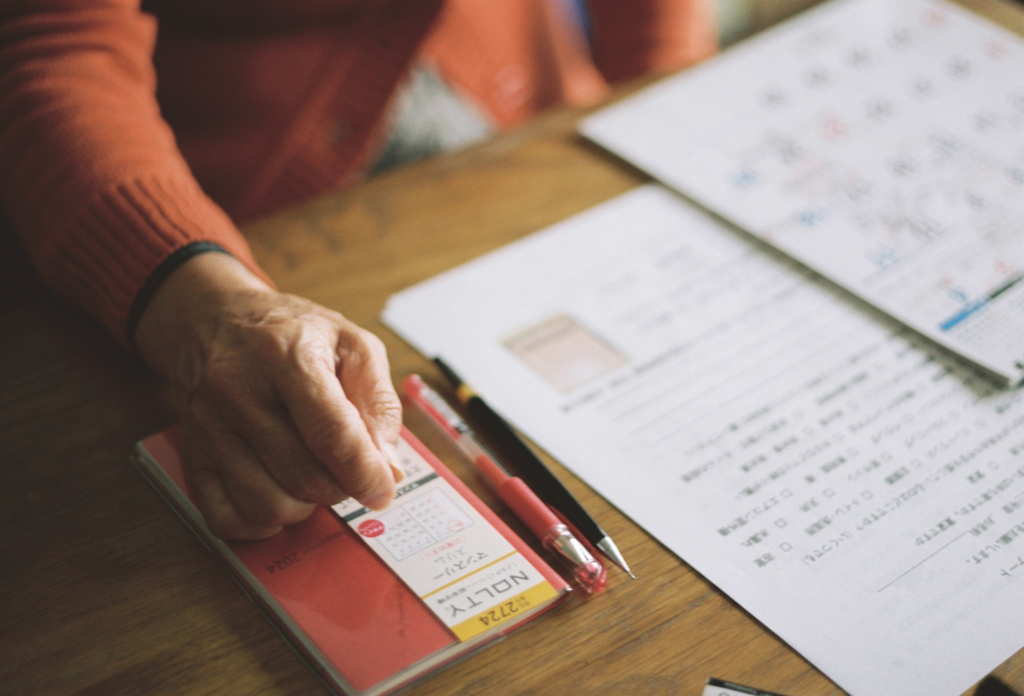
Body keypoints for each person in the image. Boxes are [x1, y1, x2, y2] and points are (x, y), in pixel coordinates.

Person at [0, 0, 716, 540]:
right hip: (204, 203)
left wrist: (670, 102)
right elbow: (48, 46)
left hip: (537, 120)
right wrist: (202, 305)